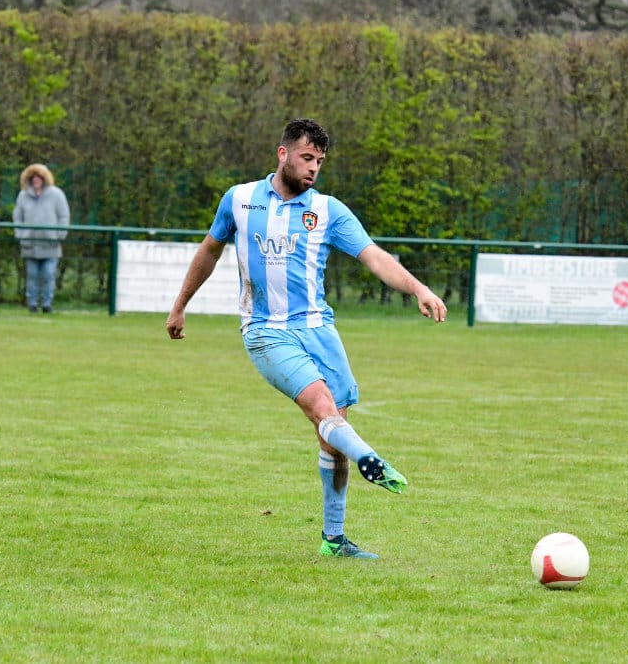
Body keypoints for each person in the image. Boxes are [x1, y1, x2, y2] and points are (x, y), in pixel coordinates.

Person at [166, 118, 448, 559]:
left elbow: (374, 257)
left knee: (332, 435)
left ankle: (334, 540)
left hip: (320, 331)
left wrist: (419, 289)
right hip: (265, 330)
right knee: (322, 409)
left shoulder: (329, 211)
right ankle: (371, 459)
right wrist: (180, 304)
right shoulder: (239, 199)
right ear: (283, 154)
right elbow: (210, 251)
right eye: (306, 157)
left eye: (320, 160)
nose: (314, 167)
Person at [12, 163, 70, 313]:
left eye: (38, 177)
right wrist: (20, 234)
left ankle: (47, 303)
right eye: (33, 177)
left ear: (44, 178)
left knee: (48, 274)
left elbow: (64, 216)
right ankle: (32, 303)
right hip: (30, 243)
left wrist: (60, 235)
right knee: (32, 275)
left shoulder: (57, 194)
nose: (35, 180)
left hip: (51, 243)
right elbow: (17, 216)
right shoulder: (23, 195)